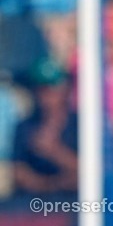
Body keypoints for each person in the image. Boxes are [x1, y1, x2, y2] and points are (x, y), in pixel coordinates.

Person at [13, 58, 77, 194]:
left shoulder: (82, 125)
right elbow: (19, 173)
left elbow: (92, 174)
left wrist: (54, 151)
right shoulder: (25, 126)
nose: (46, 96)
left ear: (66, 89)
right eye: (40, 89)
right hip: (34, 208)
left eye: (51, 88)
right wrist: (49, 185)